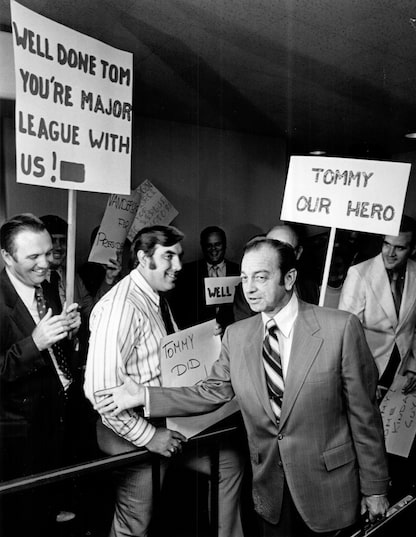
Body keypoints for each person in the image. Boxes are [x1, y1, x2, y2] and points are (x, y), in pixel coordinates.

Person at [95, 237, 390, 537]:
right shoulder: (237, 336)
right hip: (271, 492)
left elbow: (364, 416)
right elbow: (211, 391)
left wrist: (376, 487)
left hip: (330, 491)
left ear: (289, 278)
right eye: (245, 278)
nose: (249, 288)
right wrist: (143, 396)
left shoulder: (340, 328)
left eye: (260, 278)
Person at [84, 225, 243, 537]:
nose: (179, 266)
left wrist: (207, 343)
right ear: (143, 258)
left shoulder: (155, 297)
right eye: (168, 256)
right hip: (132, 432)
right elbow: (100, 393)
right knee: (134, 525)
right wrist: (149, 437)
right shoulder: (122, 308)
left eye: (179, 257)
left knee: (228, 465)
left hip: (168, 421)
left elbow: (166, 355)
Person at [0, 213, 81, 537]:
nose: (45, 263)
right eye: (33, 256)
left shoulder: (45, 287)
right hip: (17, 434)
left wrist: (69, 332)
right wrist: (34, 343)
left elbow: (53, 351)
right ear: (7, 256)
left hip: (56, 419)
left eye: (47, 253)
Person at [339, 215, 416, 396]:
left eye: (400, 247)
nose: (390, 253)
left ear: (413, 249)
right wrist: (363, 378)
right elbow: (347, 335)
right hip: (365, 371)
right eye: (387, 244)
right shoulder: (359, 274)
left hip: (401, 372)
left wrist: (413, 368)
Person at [233, 223, 319, 321]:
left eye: (285, 251)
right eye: (271, 247)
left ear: (298, 253)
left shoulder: (309, 285)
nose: (277, 254)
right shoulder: (247, 289)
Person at [170, 225, 240, 329]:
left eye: (218, 244)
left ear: (225, 245)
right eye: (209, 245)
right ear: (202, 246)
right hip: (200, 334)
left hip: (233, 331)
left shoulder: (239, 271)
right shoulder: (186, 272)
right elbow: (179, 309)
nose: (213, 249)